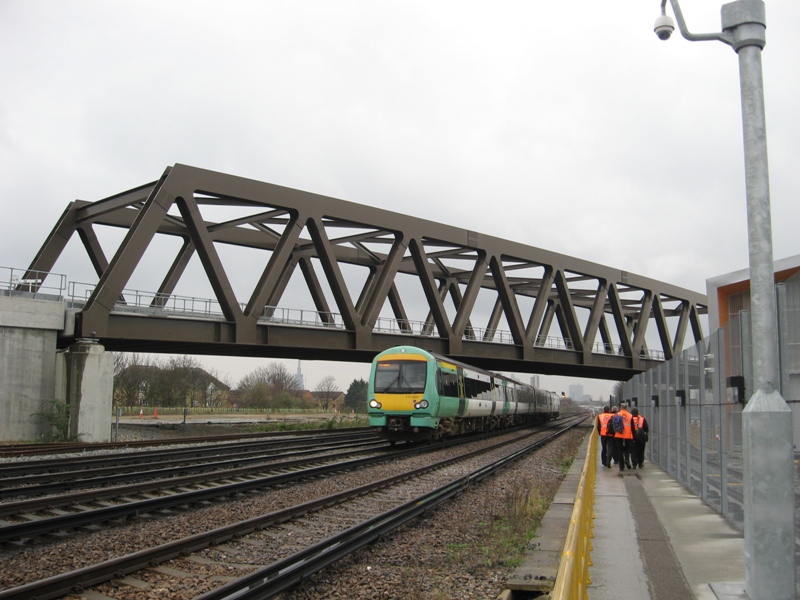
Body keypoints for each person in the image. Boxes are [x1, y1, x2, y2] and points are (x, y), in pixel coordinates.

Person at [613, 402, 634, 471]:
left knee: (620, 450)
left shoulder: (617, 415)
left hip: (619, 435)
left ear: (620, 408)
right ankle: (627, 459)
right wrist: (633, 435)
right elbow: (633, 427)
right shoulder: (630, 416)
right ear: (627, 408)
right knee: (627, 449)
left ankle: (621, 466)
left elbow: (614, 425)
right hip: (628, 435)